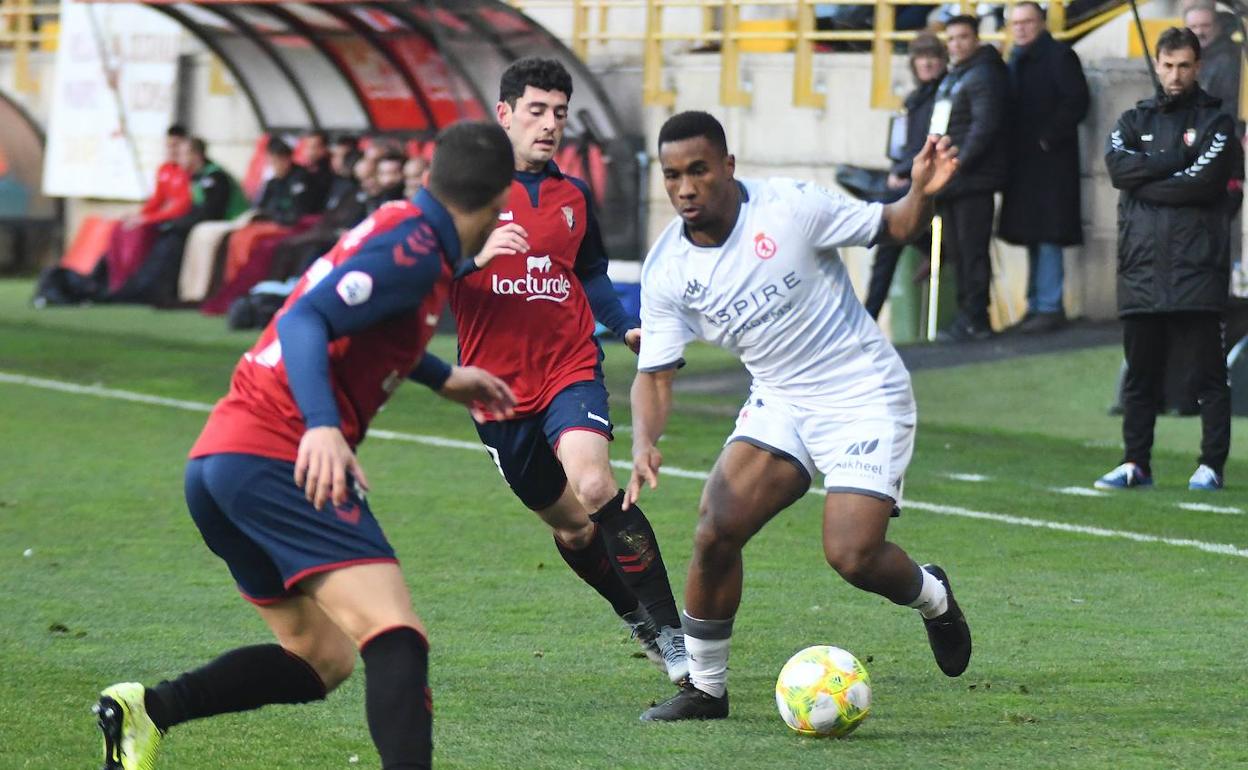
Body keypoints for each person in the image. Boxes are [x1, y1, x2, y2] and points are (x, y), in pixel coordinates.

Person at [93, 121, 518, 770]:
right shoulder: (414, 252)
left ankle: (146, 710)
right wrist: (321, 423)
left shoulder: (402, 224)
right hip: (278, 452)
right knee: (394, 635)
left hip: (220, 462)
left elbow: (356, 320)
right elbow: (304, 317)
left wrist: (442, 375)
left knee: (321, 659)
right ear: (498, 203)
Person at [627, 111, 971, 722]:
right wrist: (645, 442)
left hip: (863, 393)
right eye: (672, 175)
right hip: (781, 397)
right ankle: (706, 689)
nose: (685, 188)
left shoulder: (790, 208)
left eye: (699, 170)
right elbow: (654, 374)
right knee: (715, 529)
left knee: (852, 554)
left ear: (728, 167)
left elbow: (893, 224)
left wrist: (920, 189)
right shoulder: (667, 270)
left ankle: (934, 597)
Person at [413, 57, 688, 683]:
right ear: (505, 113)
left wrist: (625, 327)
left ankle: (677, 636)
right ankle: (635, 616)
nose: (549, 125)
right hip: (495, 390)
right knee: (572, 529)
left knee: (594, 488)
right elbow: (423, 268)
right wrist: (474, 257)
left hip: (569, 366)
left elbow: (590, 272)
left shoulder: (573, 196)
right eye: (536, 111)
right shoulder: (464, 192)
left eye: (559, 113)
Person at [1098, 27, 1237, 492]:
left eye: (1184, 66)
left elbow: (1203, 183)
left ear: (1197, 67)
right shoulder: (1132, 121)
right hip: (1142, 268)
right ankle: (1136, 462)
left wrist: (1147, 180)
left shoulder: (1218, 123)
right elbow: (1118, 168)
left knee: (1208, 378)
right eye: (1167, 65)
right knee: (1140, 377)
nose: (1175, 75)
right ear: (1156, 65)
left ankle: (1211, 465)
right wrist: (1177, 161)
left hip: (1196, 267)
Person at [997, 1, 1090, 333]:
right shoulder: (1016, 59)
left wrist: (1047, 138)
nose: (1020, 28)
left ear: (1041, 23)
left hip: (1050, 166)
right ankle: (1037, 304)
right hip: (1026, 165)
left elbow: (1077, 100)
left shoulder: (1058, 56)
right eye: (1015, 23)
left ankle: (1049, 306)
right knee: (1033, 234)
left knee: (1048, 233)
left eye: (1027, 22)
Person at [932, 15, 1009, 342]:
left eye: (963, 37)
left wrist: (960, 161)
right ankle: (967, 315)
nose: (956, 44)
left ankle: (977, 317)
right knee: (959, 251)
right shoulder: (957, 75)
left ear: (975, 39)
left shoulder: (982, 75)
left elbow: (984, 125)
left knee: (972, 251)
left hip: (971, 179)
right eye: (951, 38)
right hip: (953, 178)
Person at [864, 32, 947, 319]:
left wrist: (902, 171)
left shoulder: (944, 95)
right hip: (910, 177)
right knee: (886, 229)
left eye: (932, 57)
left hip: (933, 179)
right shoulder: (914, 99)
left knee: (887, 231)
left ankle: (869, 314)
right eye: (921, 58)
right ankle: (869, 313)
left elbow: (934, 141)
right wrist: (898, 168)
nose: (926, 63)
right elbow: (902, 144)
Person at [110, 137, 247, 305]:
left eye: (183, 154)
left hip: (235, 221)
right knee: (167, 234)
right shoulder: (196, 177)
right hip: (208, 221)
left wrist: (179, 224)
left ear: (196, 156)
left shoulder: (215, 177)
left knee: (175, 237)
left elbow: (212, 212)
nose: (179, 158)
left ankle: (163, 290)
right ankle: (142, 286)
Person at [104, 124, 192, 294]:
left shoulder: (188, 172)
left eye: (176, 146)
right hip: (160, 217)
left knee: (140, 232)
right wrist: (138, 215)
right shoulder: (165, 169)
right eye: (168, 146)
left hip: (173, 221)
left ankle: (135, 283)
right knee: (120, 227)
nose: (171, 151)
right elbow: (157, 200)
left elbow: (182, 206)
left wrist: (146, 219)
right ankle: (116, 281)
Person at [1183, 2, 1242, 125]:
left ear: (1217, 26)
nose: (1199, 31)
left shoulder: (1230, 57)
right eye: (1194, 26)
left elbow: (1230, 105)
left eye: (1205, 25)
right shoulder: (1186, 56)